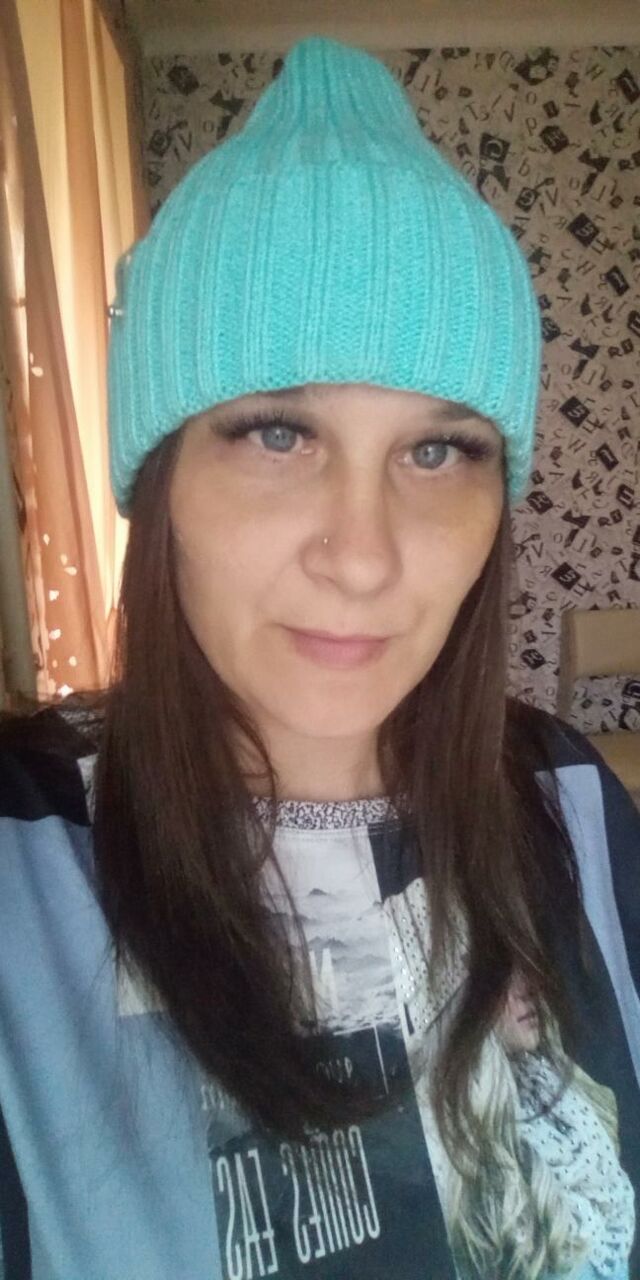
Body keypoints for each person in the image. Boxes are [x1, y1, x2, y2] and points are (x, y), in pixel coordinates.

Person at [0, 34, 638, 1280]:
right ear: (160, 481)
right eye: (278, 432)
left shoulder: (566, 794)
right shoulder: (28, 862)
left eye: (438, 450)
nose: (362, 554)